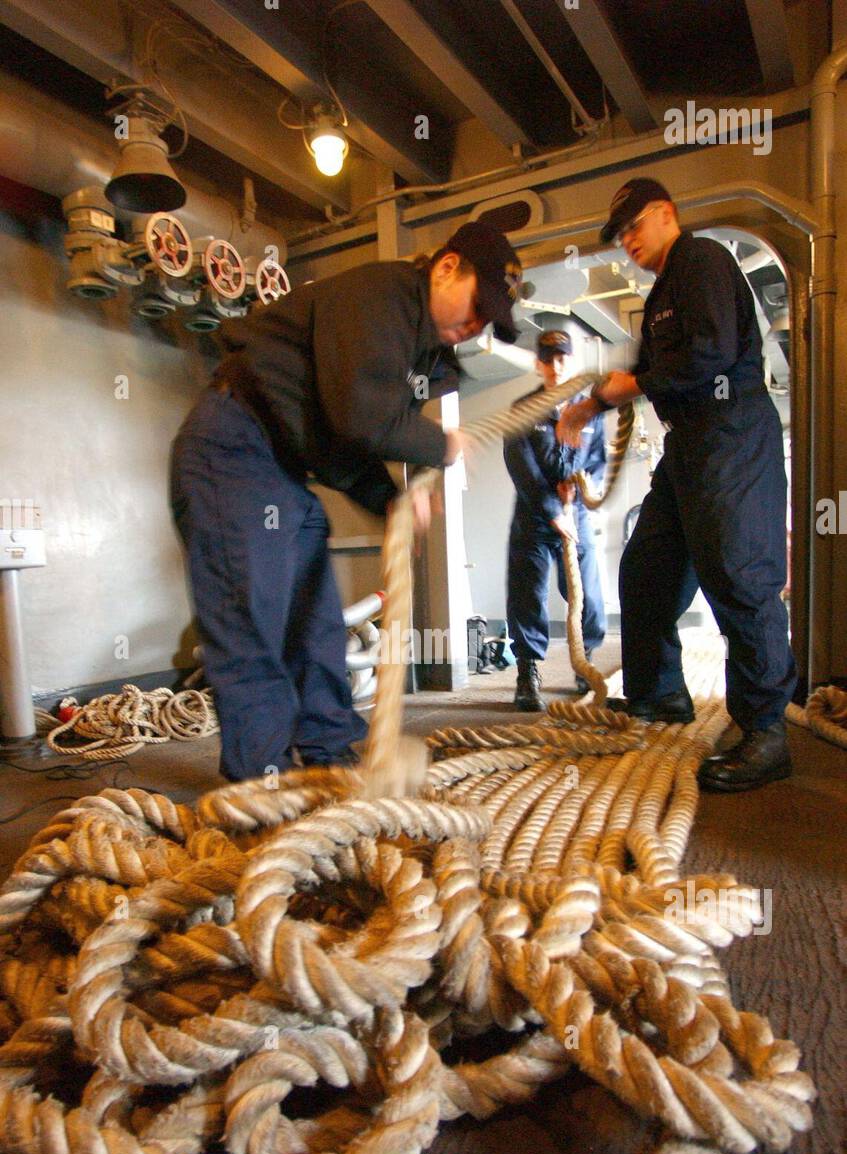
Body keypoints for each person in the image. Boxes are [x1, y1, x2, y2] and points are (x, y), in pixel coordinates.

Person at [170, 221, 522, 781]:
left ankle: (332, 753)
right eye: (477, 305)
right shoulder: (380, 296)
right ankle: (265, 785)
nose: (475, 325)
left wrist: (390, 499)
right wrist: (442, 443)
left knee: (316, 624)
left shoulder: (413, 341)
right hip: (231, 450)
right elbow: (359, 416)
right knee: (251, 627)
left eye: (487, 320)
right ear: (447, 266)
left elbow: (337, 438)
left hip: (282, 467)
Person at [558, 178, 796, 791]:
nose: (628, 242)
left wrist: (625, 388)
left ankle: (766, 731)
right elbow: (644, 372)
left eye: (635, 226)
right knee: (647, 569)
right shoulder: (665, 288)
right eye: (621, 235)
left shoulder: (703, 262)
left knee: (739, 578)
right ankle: (660, 694)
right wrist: (589, 406)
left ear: (668, 213)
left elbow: (710, 355)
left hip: (732, 435)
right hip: (688, 448)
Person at [504, 329, 607, 711]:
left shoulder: (590, 411)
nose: (556, 365)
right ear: (538, 364)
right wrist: (551, 512)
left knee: (588, 597)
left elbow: (597, 461)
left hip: (576, 516)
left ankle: (585, 662)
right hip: (534, 516)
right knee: (528, 594)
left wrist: (578, 494)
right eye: (548, 359)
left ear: (571, 361)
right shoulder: (522, 410)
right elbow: (522, 468)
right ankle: (527, 672)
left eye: (562, 357)